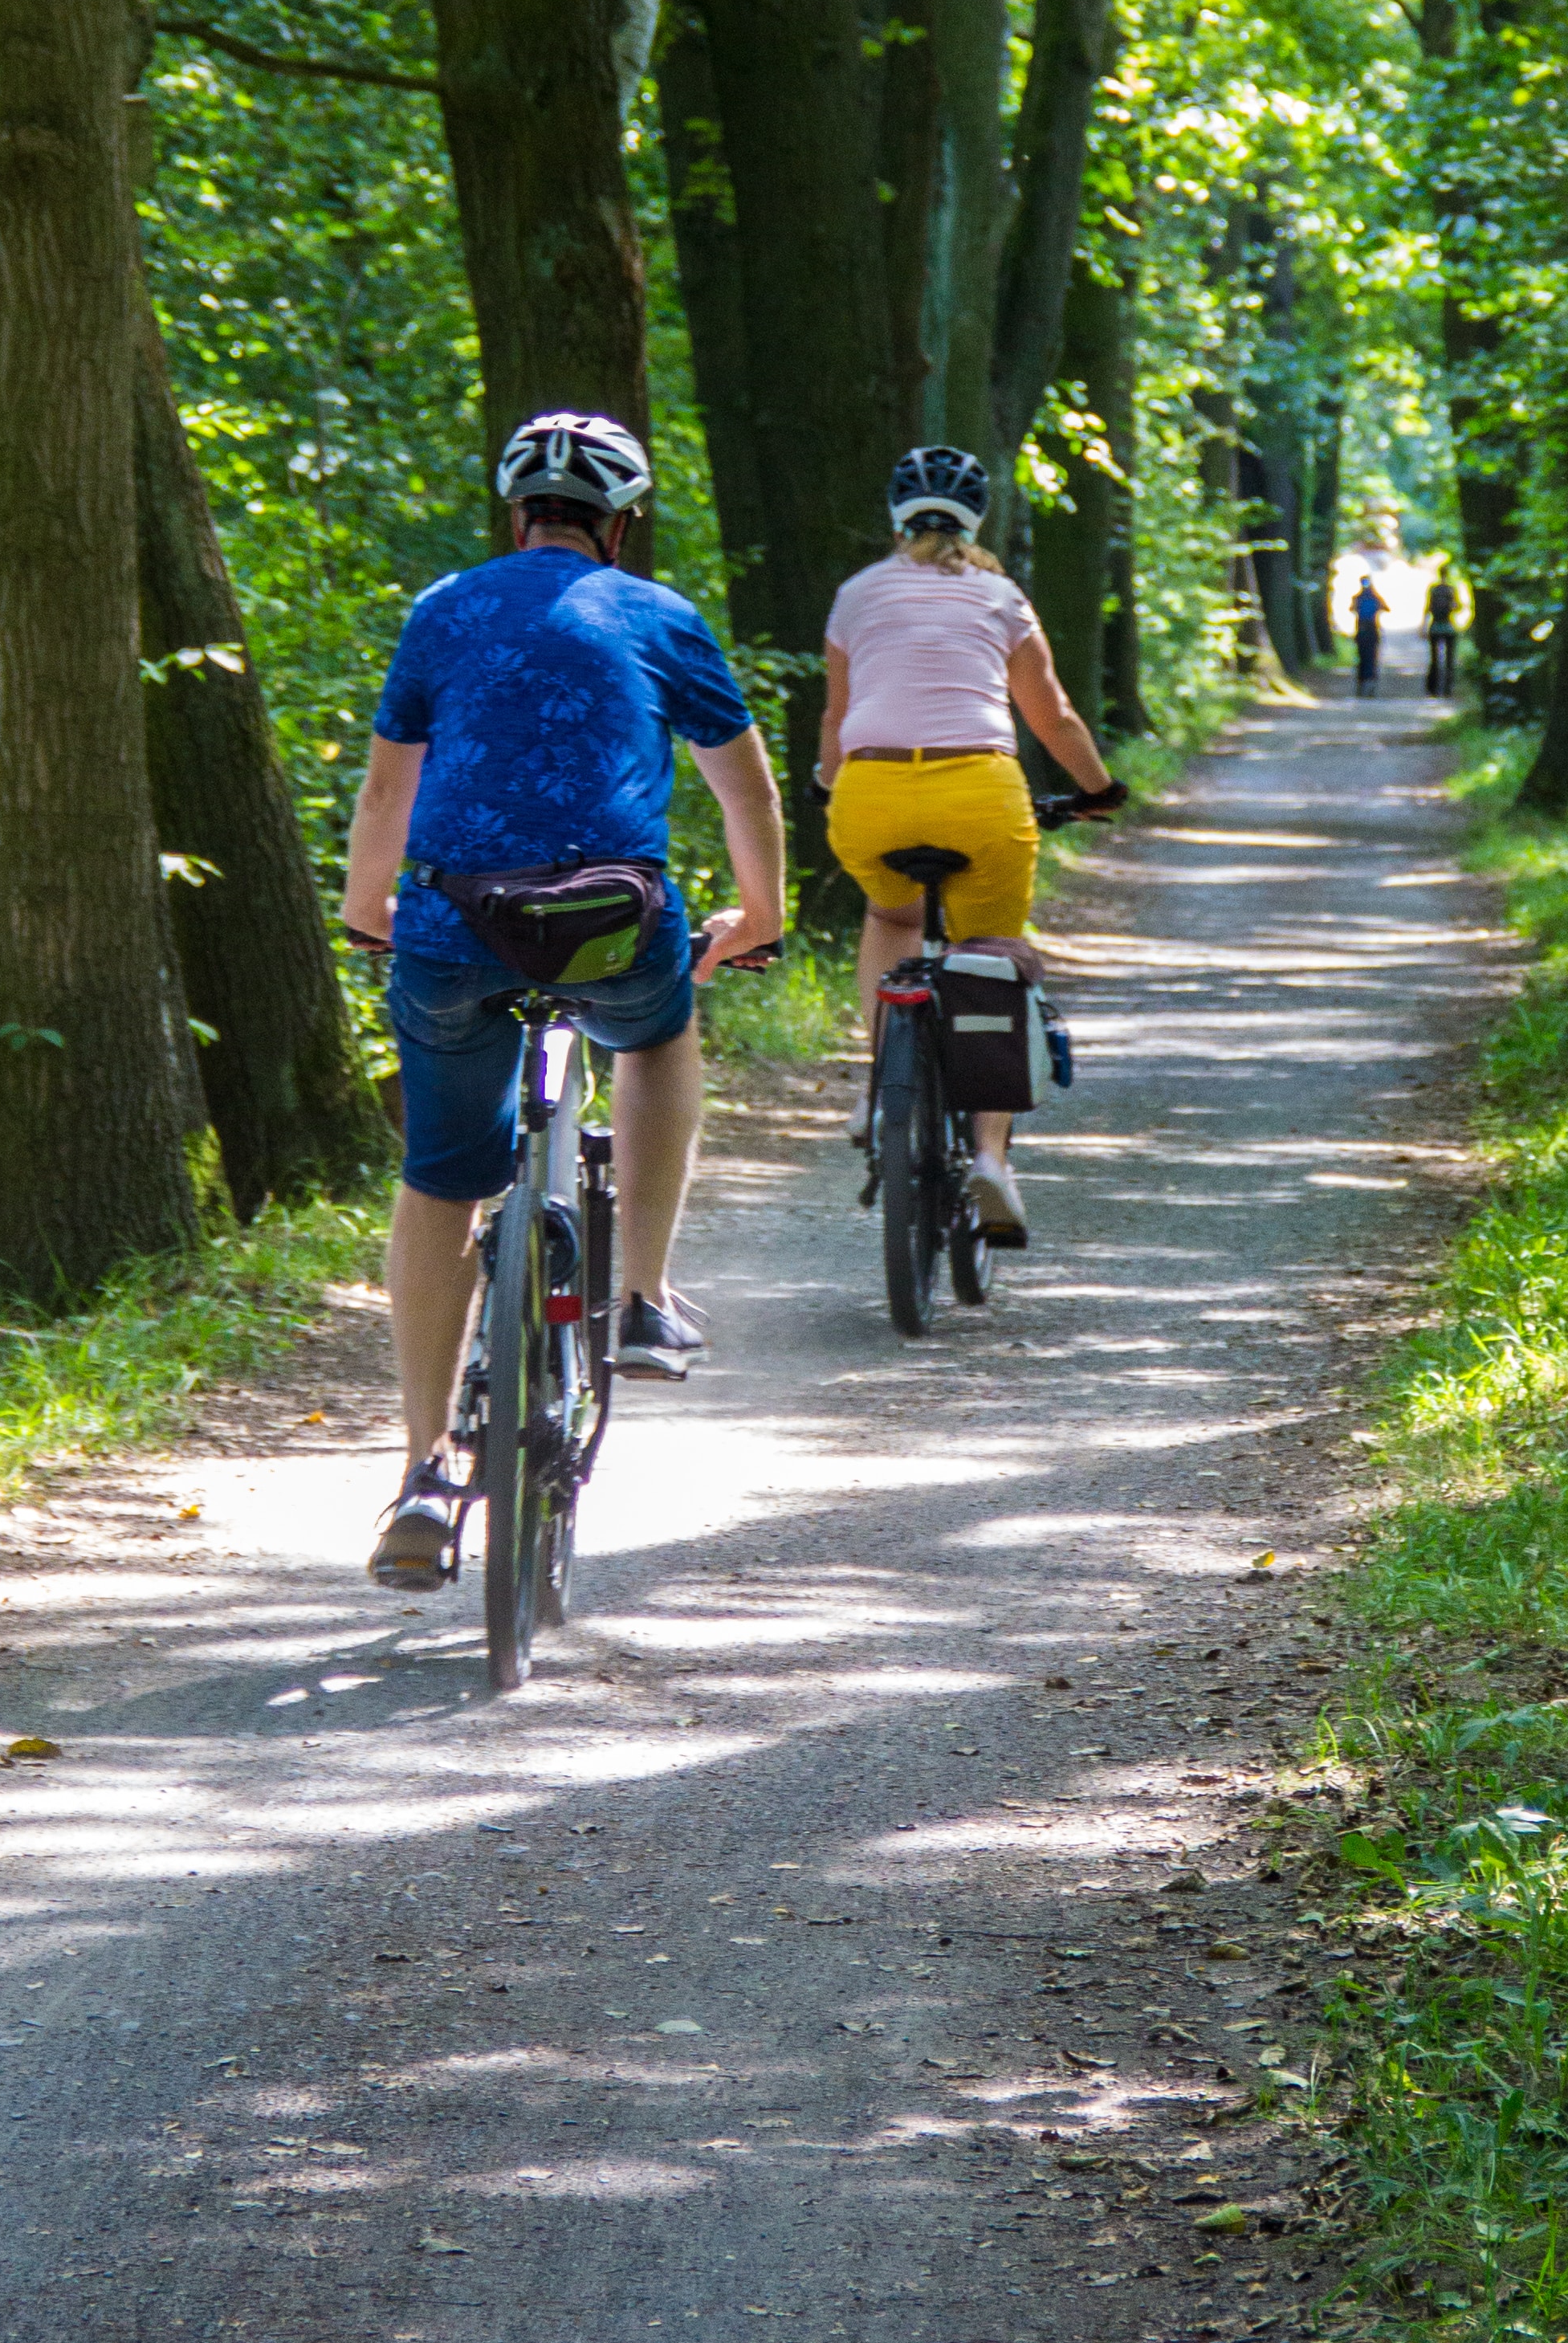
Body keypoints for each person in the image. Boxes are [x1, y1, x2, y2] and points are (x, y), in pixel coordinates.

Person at [340, 408, 785, 1590]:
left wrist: (367, 914)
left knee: (440, 1179)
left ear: (513, 513)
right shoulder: (659, 616)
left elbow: (389, 793)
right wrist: (763, 912)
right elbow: (747, 791)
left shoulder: (444, 610)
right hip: (610, 925)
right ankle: (640, 1296)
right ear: (624, 522)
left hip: (450, 923)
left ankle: (424, 1473)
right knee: (657, 1038)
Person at [819, 445, 1123, 1245]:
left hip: (873, 795)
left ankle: (883, 1087)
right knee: (991, 954)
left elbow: (836, 721)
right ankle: (991, 1159)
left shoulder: (854, 596)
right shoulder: (1000, 596)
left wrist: (828, 781)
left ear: (895, 516)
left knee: (892, 923)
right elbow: (1050, 715)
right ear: (977, 519)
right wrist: (1097, 789)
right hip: (982, 795)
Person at [1424, 568, 1461, 699]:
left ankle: (1433, 689)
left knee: (1434, 659)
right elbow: (1458, 607)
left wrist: (1423, 626)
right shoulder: (1451, 589)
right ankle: (1448, 689)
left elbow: (1427, 608)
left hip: (1435, 627)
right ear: (1448, 574)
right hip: (1449, 627)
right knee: (1449, 660)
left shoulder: (1433, 589)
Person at [1348, 571, 1386, 696]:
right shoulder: (1376, 597)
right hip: (1373, 630)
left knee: (1362, 657)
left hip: (1361, 630)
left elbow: (1352, 609)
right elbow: (1386, 608)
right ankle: (1371, 685)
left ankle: (1361, 684)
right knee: (1372, 657)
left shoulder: (1357, 598)